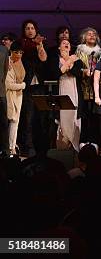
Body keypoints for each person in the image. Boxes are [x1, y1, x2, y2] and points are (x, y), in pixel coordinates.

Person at [17, 19, 48, 157]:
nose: (30, 30)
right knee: (28, 118)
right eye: (27, 28)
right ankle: (28, 148)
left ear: (36, 30)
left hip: (39, 86)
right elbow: (25, 50)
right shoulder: (21, 43)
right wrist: (35, 43)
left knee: (41, 118)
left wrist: (40, 44)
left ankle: (41, 147)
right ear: (24, 31)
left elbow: (43, 59)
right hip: (27, 86)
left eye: (32, 28)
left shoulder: (38, 44)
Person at [51, 39, 84, 152]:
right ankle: (62, 147)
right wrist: (68, 61)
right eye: (63, 43)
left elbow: (77, 73)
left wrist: (68, 64)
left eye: (68, 44)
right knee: (62, 117)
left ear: (70, 48)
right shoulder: (56, 59)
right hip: (61, 89)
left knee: (74, 117)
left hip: (73, 91)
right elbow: (56, 73)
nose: (66, 45)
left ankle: (74, 147)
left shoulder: (77, 60)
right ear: (59, 47)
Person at [75, 27, 101, 147]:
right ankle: (84, 141)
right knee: (85, 115)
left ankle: (96, 142)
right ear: (84, 38)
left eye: (94, 34)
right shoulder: (79, 51)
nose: (91, 36)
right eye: (89, 34)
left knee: (96, 116)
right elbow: (75, 67)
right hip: (83, 87)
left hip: (98, 88)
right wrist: (84, 71)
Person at [6, 42, 26, 156]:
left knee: (15, 122)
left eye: (21, 52)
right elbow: (8, 84)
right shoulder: (7, 62)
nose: (19, 55)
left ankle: (12, 147)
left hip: (18, 96)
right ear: (11, 52)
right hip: (8, 95)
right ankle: (7, 148)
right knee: (8, 121)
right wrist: (22, 86)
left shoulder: (19, 63)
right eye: (16, 52)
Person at [0, 41, 8, 156]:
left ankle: (5, 152)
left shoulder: (3, 50)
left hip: (1, 92)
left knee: (3, 123)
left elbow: (5, 70)